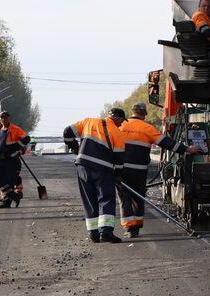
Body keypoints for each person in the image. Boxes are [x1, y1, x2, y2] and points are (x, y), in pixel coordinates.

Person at [117, 102, 201, 238]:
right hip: (139, 170)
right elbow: (167, 143)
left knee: (124, 198)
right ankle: (136, 226)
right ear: (144, 114)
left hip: (121, 170)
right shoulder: (147, 128)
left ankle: (129, 228)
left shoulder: (120, 126)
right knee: (138, 197)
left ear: (131, 112)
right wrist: (186, 149)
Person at [62, 109, 128, 243]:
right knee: (106, 199)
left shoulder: (88, 122)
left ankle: (93, 233)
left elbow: (67, 132)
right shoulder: (118, 133)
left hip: (83, 167)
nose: (121, 124)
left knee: (88, 199)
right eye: (121, 120)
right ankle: (106, 231)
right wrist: (117, 176)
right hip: (103, 170)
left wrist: (75, 147)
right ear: (116, 118)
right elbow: (119, 160)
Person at [0, 111, 31, 208]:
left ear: (9, 119)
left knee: (9, 181)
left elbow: (26, 139)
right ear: (0, 119)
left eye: (5, 118)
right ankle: (14, 196)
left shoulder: (15, 129)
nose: (3, 119)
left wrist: (16, 146)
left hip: (11, 159)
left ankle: (6, 202)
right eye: (2, 118)